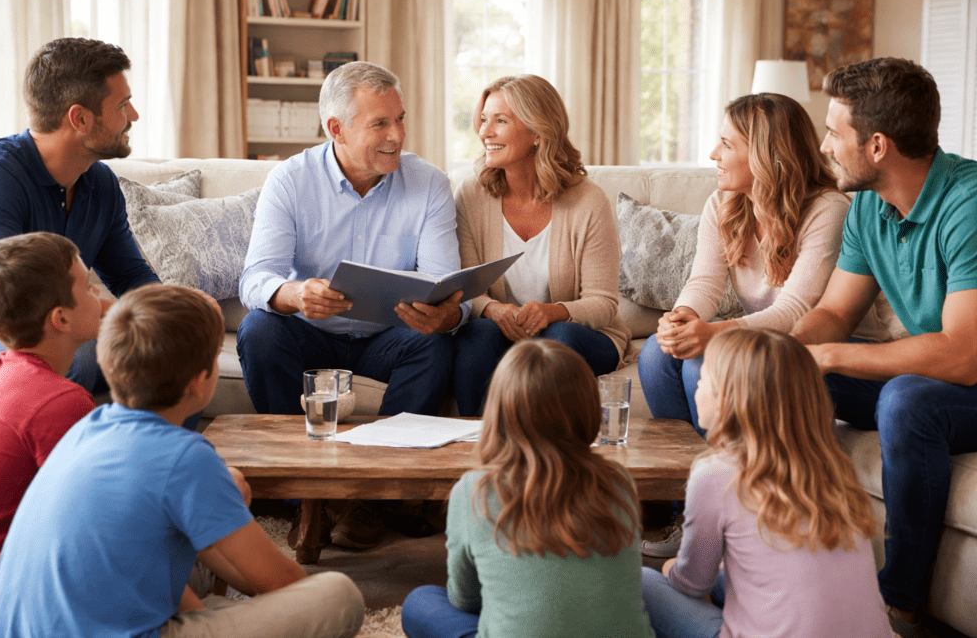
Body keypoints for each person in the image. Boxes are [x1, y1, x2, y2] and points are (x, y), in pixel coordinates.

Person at [0, 284, 365, 638]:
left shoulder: (85, 429)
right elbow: (281, 584)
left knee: (179, 547)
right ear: (200, 382)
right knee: (339, 594)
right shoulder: (185, 455)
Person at [636, 93, 887, 557]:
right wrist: (683, 318)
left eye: (726, 144)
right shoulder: (725, 203)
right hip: (772, 347)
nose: (713, 154)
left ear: (767, 154)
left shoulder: (827, 210)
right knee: (656, 353)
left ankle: (737, 516)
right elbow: (705, 283)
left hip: (841, 355)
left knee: (704, 366)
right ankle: (685, 514)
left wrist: (713, 335)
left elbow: (796, 312)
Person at [238, 61, 466, 548]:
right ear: (335, 129)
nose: (397, 135)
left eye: (400, 118)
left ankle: (373, 501)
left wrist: (445, 312)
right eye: (380, 123)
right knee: (259, 330)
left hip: (387, 339)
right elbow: (256, 277)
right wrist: (294, 295)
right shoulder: (290, 181)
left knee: (434, 344)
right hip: (312, 334)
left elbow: (442, 282)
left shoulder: (428, 183)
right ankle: (303, 496)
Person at [790, 57, 977, 638]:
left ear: (876, 145)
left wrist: (832, 355)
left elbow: (962, 356)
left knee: (907, 402)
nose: (823, 146)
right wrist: (791, 355)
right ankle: (790, 564)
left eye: (831, 132)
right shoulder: (868, 205)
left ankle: (900, 610)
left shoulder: (968, 205)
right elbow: (835, 313)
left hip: (966, 385)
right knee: (793, 377)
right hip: (929, 379)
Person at [641, 328, 892, 638]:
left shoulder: (715, 472)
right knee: (729, 575)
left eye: (704, 380)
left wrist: (668, 569)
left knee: (643, 580)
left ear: (729, 399)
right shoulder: (832, 464)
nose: (697, 388)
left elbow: (692, 583)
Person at [401, 339, 653, 638]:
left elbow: (463, 599)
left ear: (499, 411)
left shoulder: (474, 490)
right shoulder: (619, 480)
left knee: (420, 602)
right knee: (645, 584)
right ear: (588, 407)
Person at [0, 37, 158, 396]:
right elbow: (12, 298)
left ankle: (155, 453)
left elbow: (130, 274)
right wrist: (114, 313)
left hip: (57, 334)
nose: (134, 116)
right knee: (71, 353)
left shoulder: (100, 182)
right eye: (123, 105)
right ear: (79, 118)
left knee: (168, 348)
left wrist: (173, 312)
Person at [452, 74, 632, 418]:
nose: (484, 132)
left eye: (500, 121)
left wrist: (553, 311)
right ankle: (477, 446)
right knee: (478, 335)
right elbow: (466, 288)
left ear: (538, 132)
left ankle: (546, 456)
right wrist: (493, 310)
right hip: (504, 331)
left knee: (557, 338)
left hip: (578, 335)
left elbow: (603, 303)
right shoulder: (471, 195)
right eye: (484, 119)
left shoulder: (588, 202)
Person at [0, 233, 101, 638]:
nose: (99, 295)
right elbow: (100, 530)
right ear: (61, 319)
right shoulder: (58, 403)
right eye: (88, 286)